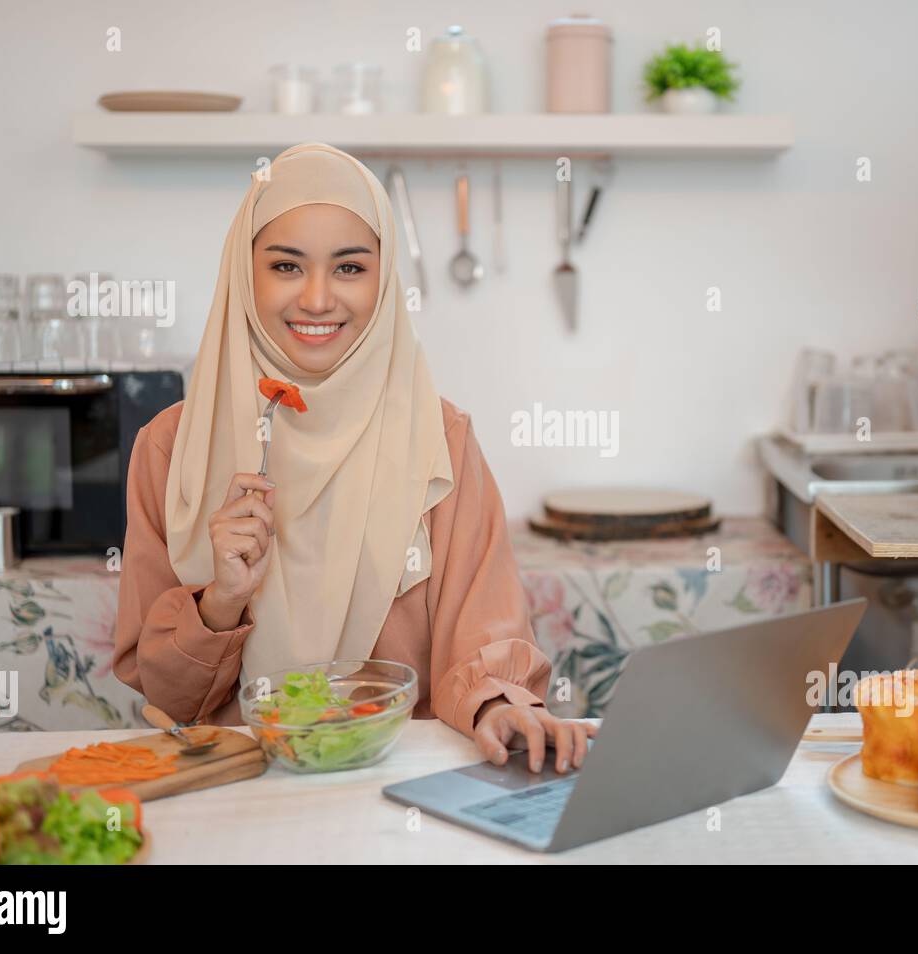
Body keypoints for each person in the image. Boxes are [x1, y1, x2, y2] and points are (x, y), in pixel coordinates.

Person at [114, 143, 594, 774]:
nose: (317, 299)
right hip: (241, 789)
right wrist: (221, 601)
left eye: (349, 268)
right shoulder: (173, 449)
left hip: (397, 789)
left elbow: (480, 633)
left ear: (384, 276)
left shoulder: (439, 441)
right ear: (243, 272)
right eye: (286, 266)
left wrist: (495, 706)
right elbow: (170, 698)